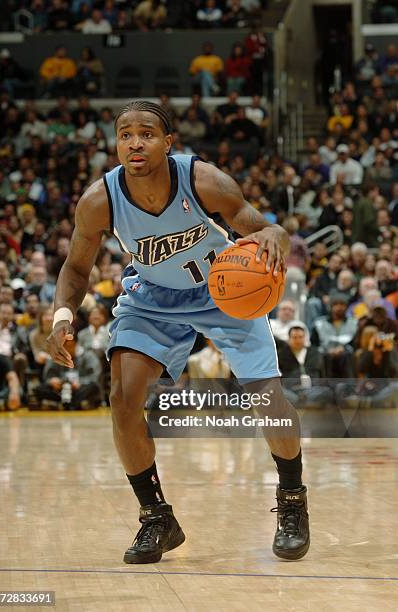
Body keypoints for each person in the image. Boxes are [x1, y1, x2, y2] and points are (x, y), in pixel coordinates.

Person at [47, 100, 310, 565]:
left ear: (168, 143)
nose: (134, 142)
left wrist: (274, 235)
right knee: (123, 399)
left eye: (146, 133)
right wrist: (62, 319)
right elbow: (75, 268)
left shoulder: (203, 180)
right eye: (124, 134)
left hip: (224, 292)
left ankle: (292, 501)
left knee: (268, 401)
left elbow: (257, 226)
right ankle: (156, 518)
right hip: (152, 300)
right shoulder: (99, 200)